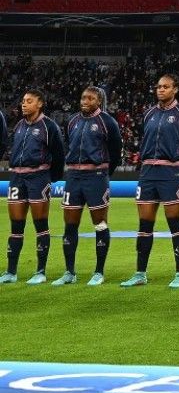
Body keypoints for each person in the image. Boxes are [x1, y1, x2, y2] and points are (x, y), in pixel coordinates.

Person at [120, 75, 179, 289]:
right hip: (147, 172)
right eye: (158, 87)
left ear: (176, 89)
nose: (161, 90)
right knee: (145, 225)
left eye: (166, 87)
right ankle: (140, 273)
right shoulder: (149, 114)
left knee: (175, 223)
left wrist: (178, 159)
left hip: (170, 172)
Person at [52, 86, 122, 287]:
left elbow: (116, 151)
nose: (85, 100)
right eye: (83, 97)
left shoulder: (107, 122)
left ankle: (99, 272)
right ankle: (69, 272)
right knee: (70, 225)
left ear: (99, 101)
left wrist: (104, 173)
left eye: (90, 98)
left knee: (100, 224)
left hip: (96, 177)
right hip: (73, 176)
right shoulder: (72, 121)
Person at [0, 89, 64, 285]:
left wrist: (49, 178)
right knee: (16, 227)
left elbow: (59, 155)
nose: (24, 104)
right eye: (23, 101)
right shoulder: (19, 125)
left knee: (40, 226)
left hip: (39, 177)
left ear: (40, 104)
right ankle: (11, 272)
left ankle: (41, 271)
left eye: (29, 101)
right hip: (17, 177)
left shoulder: (49, 126)